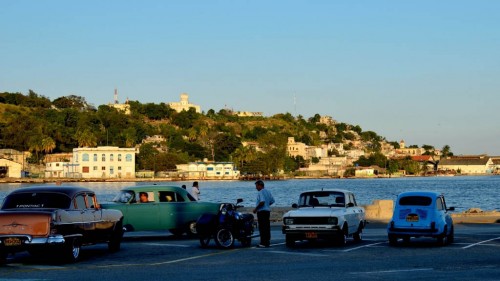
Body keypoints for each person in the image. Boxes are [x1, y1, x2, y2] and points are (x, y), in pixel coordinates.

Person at [253, 180, 275, 248]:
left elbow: (262, 202)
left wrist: (256, 209)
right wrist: (267, 206)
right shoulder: (268, 191)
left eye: (256, 186)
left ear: (260, 185)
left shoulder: (261, 192)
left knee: (262, 227)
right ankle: (267, 242)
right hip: (267, 211)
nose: (256, 188)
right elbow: (272, 201)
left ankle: (263, 243)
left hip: (262, 212)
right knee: (267, 227)